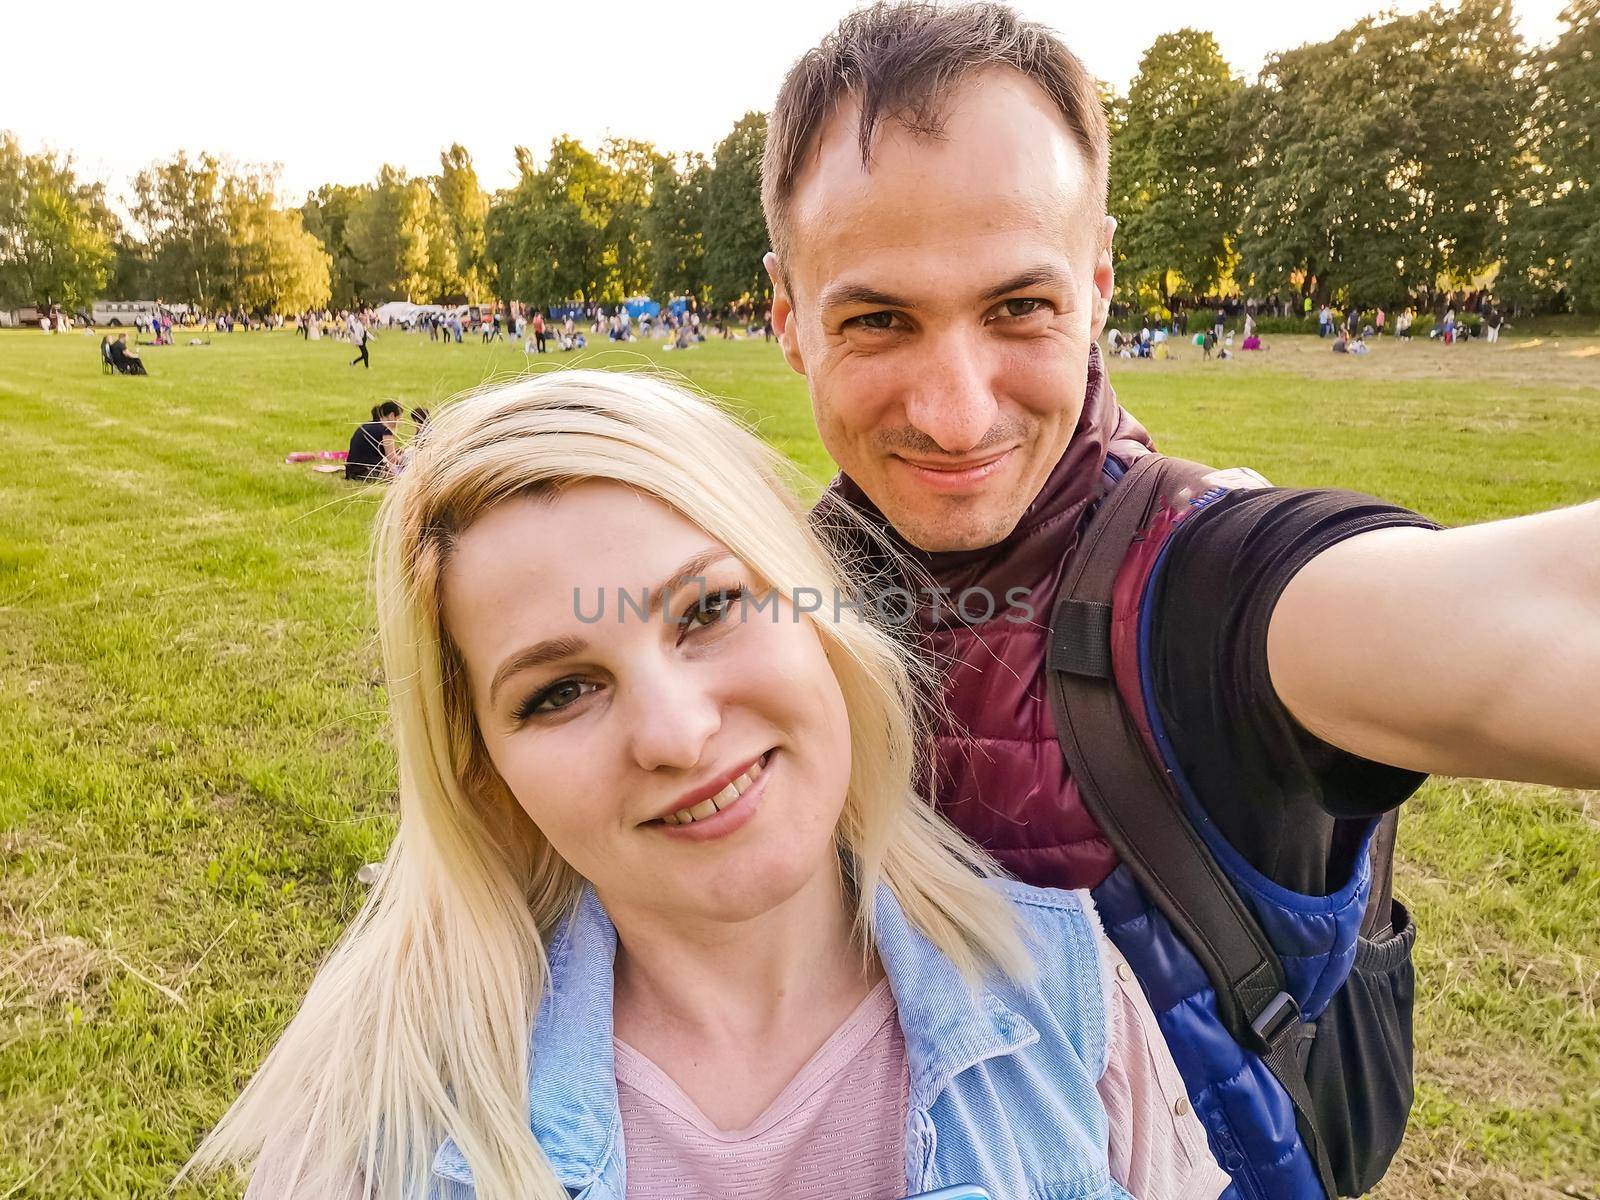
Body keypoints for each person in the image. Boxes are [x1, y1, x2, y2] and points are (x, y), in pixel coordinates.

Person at [759, 6, 1600, 1198]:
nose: (953, 413)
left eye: (1019, 308)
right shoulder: (760, 599)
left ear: (1098, 282)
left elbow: (1541, 621)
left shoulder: (1218, 589)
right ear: (788, 315)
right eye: (877, 319)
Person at [187, 371, 1226, 1200]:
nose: (676, 735)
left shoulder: (1065, 991)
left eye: (708, 610)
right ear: (483, 770)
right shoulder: (386, 1116)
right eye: (557, 693)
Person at [344, 401, 401, 481]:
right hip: (367, 472)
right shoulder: (386, 430)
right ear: (392, 416)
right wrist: (407, 461)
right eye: (399, 419)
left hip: (351, 471)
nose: (400, 423)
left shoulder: (366, 426)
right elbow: (392, 458)